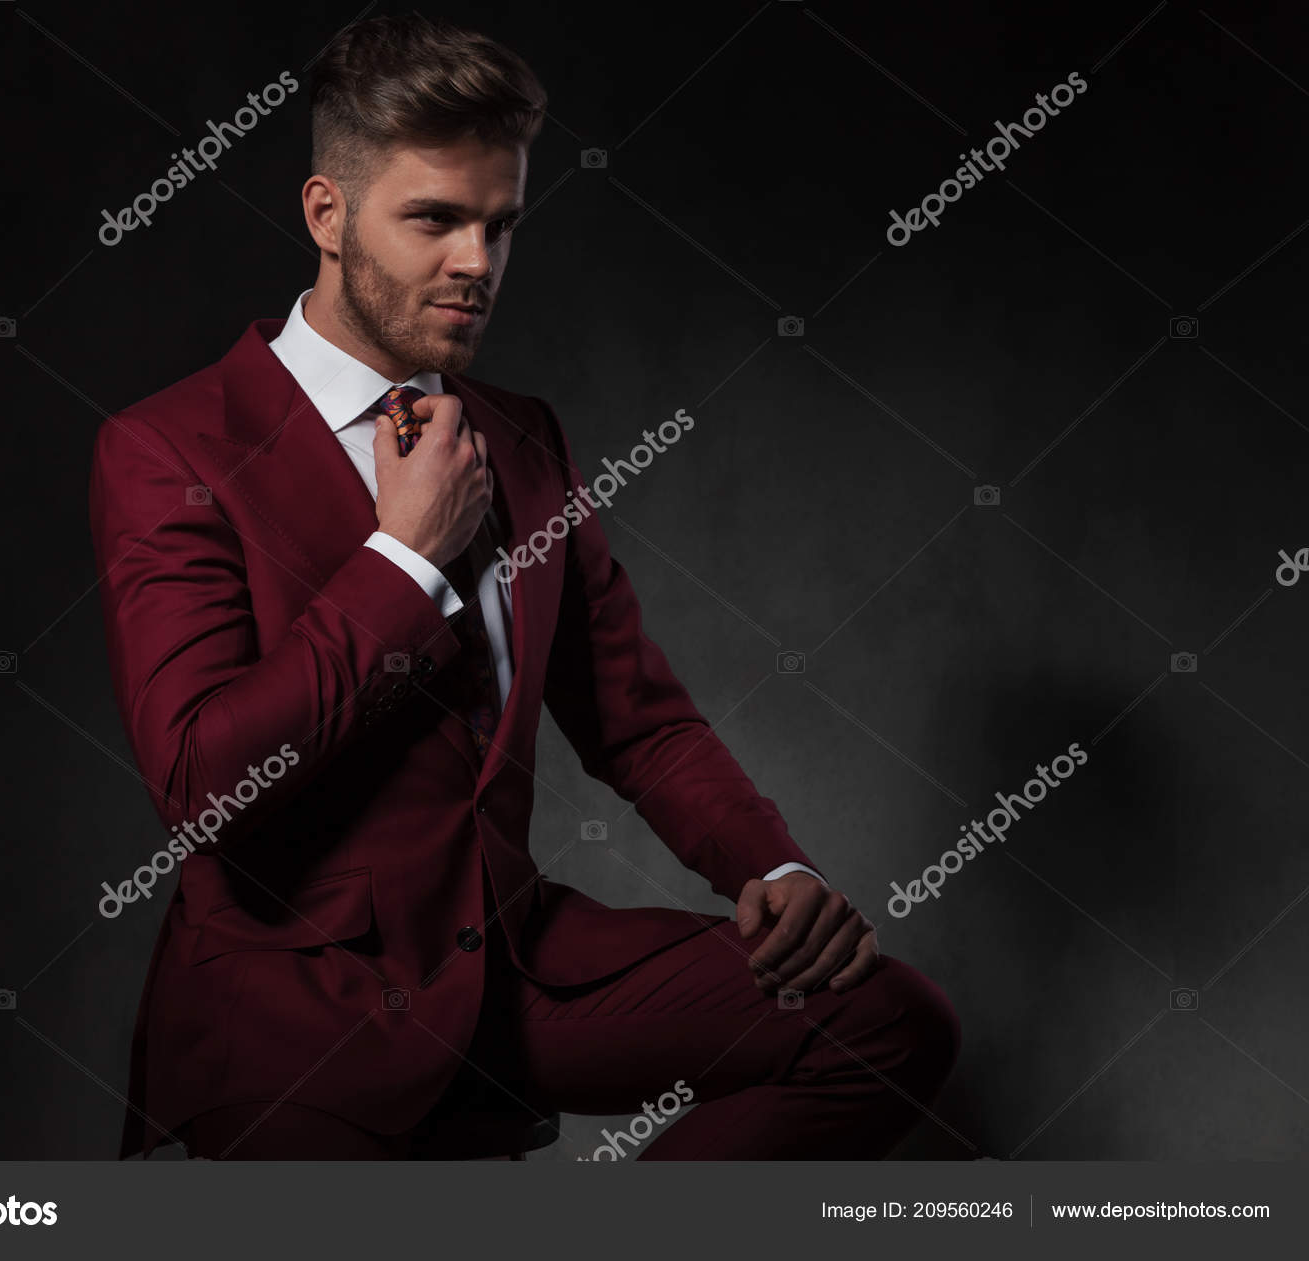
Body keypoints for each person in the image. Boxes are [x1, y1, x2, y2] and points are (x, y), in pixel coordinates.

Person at [88, 12, 958, 1161]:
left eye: (499, 225)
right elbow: (201, 784)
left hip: (511, 968)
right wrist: (403, 558)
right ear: (327, 215)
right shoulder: (173, 447)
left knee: (883, 1023)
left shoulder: (523, 439)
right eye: (434, 219)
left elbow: (636, 722)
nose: (476, 263)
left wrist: (773, 865)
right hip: (301, 1015)